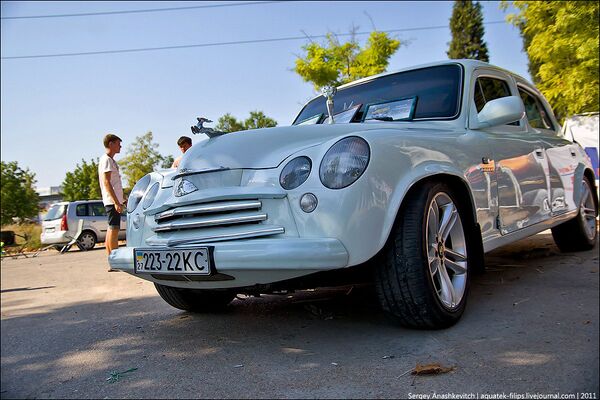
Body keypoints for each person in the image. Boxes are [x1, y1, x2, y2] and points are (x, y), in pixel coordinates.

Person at [98, 133, 125, 270]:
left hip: (113, 200)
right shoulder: (107, 160)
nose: (120, 146)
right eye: (118, 143)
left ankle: (112, 260)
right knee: (114, 229)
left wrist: (121, 198)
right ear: (111, 144)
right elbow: (107, 182)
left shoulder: (110, 160)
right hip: (111, 201)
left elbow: (114, 182)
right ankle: (115, 261)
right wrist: (116, 201)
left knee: (111, 228)